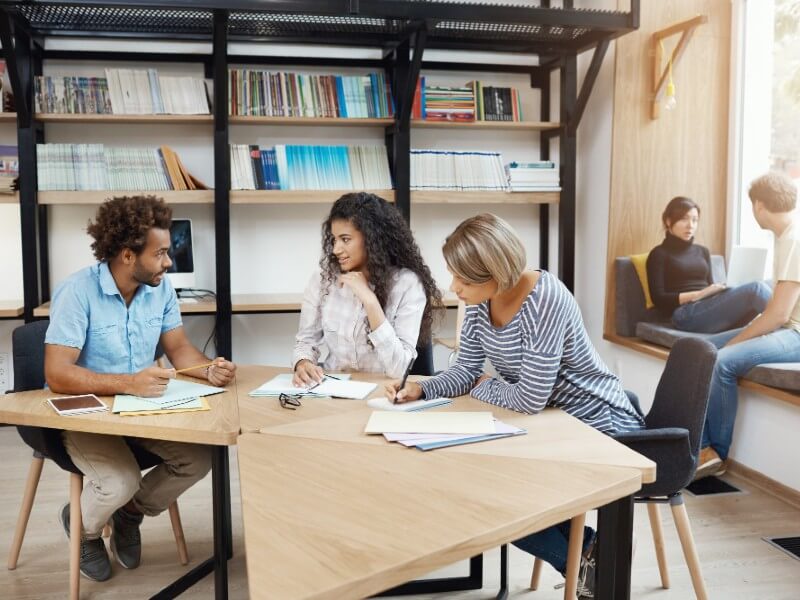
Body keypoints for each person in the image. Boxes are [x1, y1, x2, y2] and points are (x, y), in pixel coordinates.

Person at [386, 213, 644, 599]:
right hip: (551, 423)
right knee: (482, 486)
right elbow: (467, 371)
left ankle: (590, 556)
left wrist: (484, 386)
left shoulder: (545, 299)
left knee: (500, 495)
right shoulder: (480, 299)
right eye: (453, 275)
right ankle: (589, 549)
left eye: (463, 279)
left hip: (599, 423)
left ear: (495, 272)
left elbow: (527, 398)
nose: (454, 287)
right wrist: (423, 390)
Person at [44, 195, 237, 581]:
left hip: (142, 410)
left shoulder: (160, 290)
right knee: (120, 480)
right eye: (161, 253)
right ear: (128, 255)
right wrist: (128, 383)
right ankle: (83, 528)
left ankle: (129, 514)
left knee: (201, 459)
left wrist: (207, 369)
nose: (168, 262)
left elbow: (179, 348)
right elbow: (57, 373)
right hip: (89, 415)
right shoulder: (77, 291)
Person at [696, 172, 800, 479]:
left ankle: (716, 452)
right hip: (788, 327)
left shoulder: (794, 238)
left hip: (795, 333)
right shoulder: (786, 237)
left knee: (723, 360)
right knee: (701, 349)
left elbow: (780, 315)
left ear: (758, 205)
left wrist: (736, 342)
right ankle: (693, 445)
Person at [292, 192, 442, 385]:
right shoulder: (324, 279)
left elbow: (399, 369)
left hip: (383, 393)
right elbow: (305, 341)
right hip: (333, 390)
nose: (336, 249)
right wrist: (303, 363)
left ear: (372, 238)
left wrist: (370, 301)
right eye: (334, 240)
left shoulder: (407, 284)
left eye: (345, 239)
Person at [646, 196, 771, 336]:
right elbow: (658, 298)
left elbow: (710, 285)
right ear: (668, 221)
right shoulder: (659, 254)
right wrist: (698, 295)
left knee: (769, 283)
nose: (690, 225)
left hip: (709, 308)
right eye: (684, 219)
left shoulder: (702, 251)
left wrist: (720, 289)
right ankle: (788, 326)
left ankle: (782, 327)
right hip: (684, 314)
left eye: (694, 220)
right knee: (756, 289)